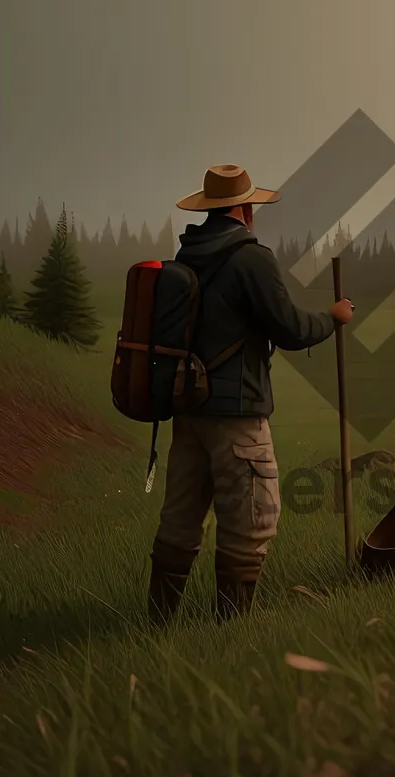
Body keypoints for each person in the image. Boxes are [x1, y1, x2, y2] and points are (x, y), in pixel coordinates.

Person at [147, 164, 353, 622]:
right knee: (251, 523)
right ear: (244, 208)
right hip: (238, 416)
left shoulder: (187, 256)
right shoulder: (251, 258)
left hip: (189, 412)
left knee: (180, 521)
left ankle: (157, 624)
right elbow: (292, 328)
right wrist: (334, 317)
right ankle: (230, 631)